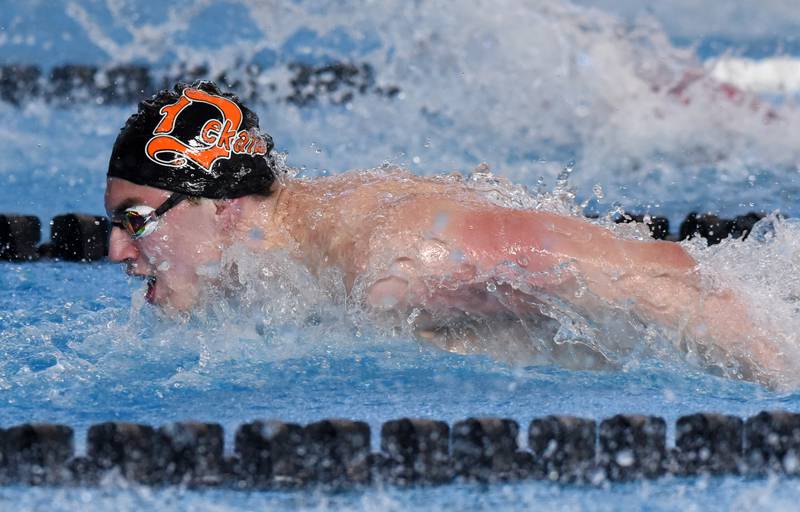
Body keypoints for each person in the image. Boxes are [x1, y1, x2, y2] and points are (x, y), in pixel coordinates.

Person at [105, 81, 793, 388]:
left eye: (136, 220)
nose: (117, 250)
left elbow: (662, 280)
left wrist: (780, 376)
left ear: (222, 207)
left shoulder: (395, 261)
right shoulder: (297, 250)